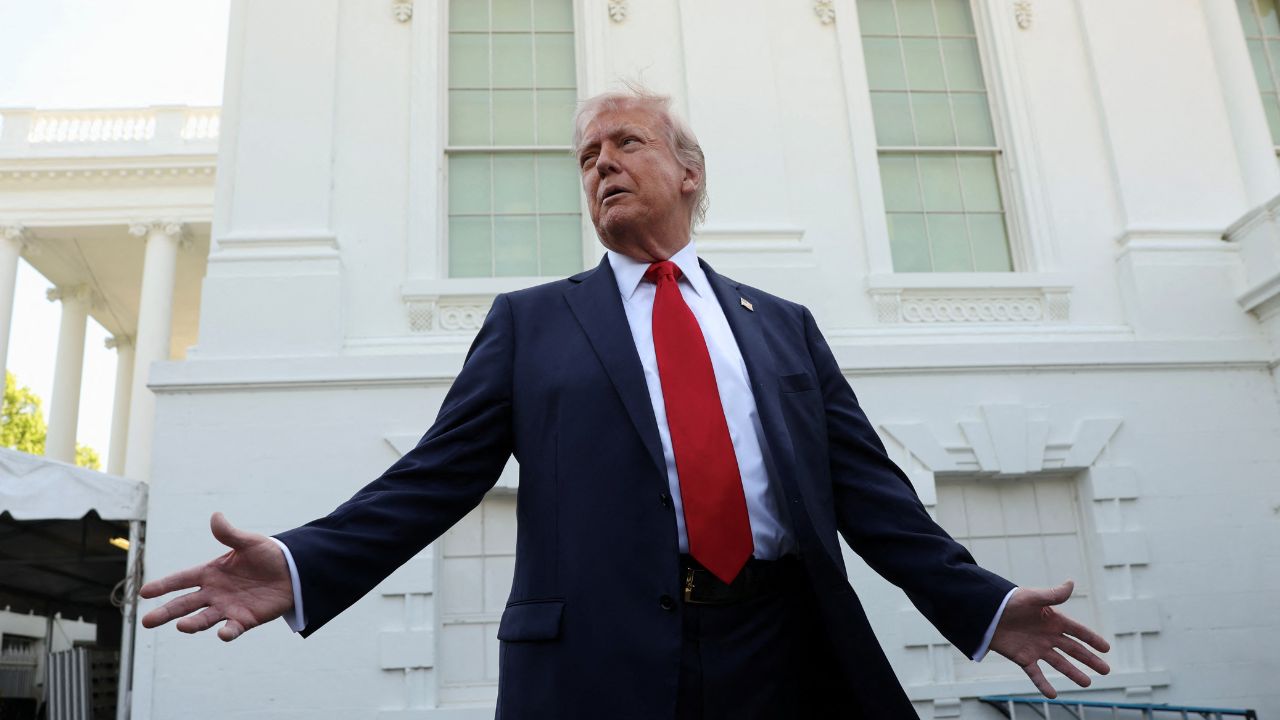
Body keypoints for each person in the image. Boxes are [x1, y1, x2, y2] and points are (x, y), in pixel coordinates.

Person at [141, 88, 1110, 719]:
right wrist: (303, 562)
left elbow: (872, 496)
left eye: (625, 142)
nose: (600, 162)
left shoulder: (782, 327)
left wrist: (982, 604)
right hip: (598, 664)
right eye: (586, 155)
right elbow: (435, 477)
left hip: (781, 650)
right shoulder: (530, 324)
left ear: (688, 171)